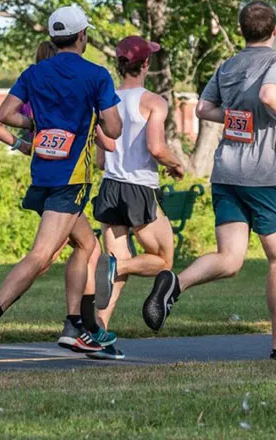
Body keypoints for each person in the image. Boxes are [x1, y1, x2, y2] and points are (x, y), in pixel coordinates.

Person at [141, 1, 276, 360]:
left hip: (226, 174)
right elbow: (270, 95)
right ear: (274, 30)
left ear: (241, 31)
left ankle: (177, 282)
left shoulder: (229, 65)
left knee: (230, 258)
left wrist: (237, 115)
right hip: (265, 177)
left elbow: (204, 109)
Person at [0, 5, 123, 363]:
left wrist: (36, 132)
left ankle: (73, 327)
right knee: (42, 254)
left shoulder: (35, 72)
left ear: (54, 37)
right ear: (82, 36)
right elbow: (114, 130)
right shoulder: (96, 75)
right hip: (72, 178)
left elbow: (5, 115)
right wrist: (94, 118)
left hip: (43, 174)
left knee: (87, 245)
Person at [89, 35, 186, 361]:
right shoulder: (153, 101)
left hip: (110, 187)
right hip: (139, 189)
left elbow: (102, 158)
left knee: (117, 275)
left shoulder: (106, 100)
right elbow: (156, 148)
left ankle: (98, 337)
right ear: (146, 64)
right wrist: (175, 164)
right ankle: (117, 266)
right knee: (164, 261)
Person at [0, 41, 57, 155]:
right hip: (72, 163)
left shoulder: (27, 99)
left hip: (40, 162)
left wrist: (22, 145)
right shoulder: (71, 91)